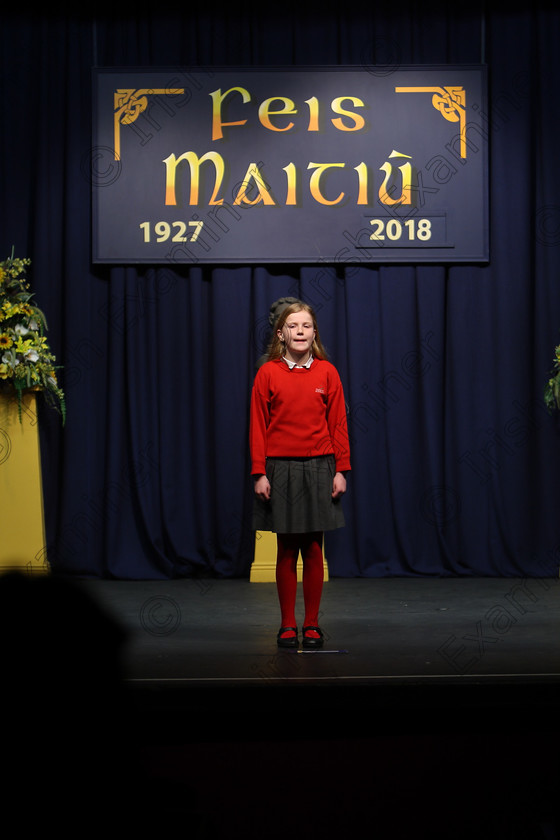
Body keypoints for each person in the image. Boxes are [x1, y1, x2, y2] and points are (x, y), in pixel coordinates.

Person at [250, 301, 351, 649]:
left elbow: (338, 423)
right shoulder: (267, 374)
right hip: (281, 468)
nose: (300, 332)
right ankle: (287, 625)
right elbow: (258, 427)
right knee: (286, 549)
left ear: (314, 333)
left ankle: (311, 624)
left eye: (306, 326)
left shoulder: (327, 372)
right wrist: (259, 472)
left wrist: (341, 469)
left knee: (312, 547)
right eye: (293, 326)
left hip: (320, 466)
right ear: (281, 333)